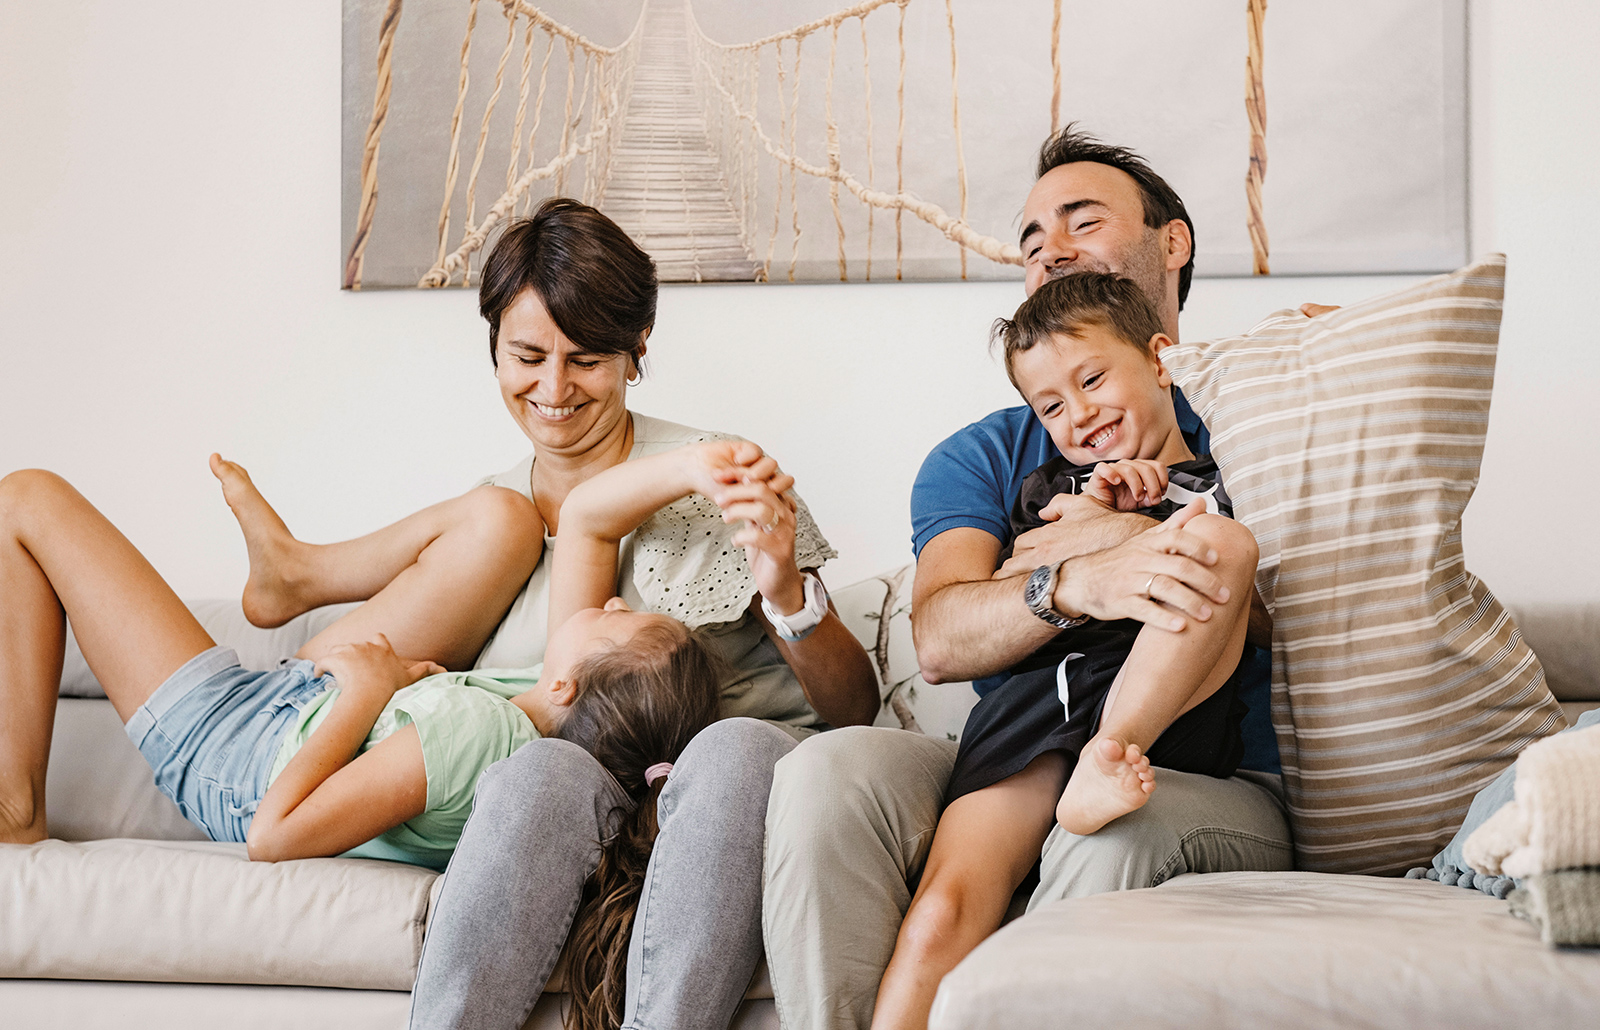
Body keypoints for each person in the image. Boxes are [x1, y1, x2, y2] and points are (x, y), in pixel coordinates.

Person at [195, 198, 877, 1030]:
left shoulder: (719, 477)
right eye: (526, 356)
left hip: (719, 790)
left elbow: (852, 707)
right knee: (540, 770)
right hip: (566, 798)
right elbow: (387, 701)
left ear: (637, 353)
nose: (552, 390)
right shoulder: (490, 523)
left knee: (727, 748)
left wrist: (786, 594)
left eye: (586, 359)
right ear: (493, 349)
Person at [762, 126, 1298, 1030]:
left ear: (1173, 244)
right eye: (1032, 239)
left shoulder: (1269, 409)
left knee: (1109, 828)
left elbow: (1276, 604)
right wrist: (1084, 576)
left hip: (1207, 761)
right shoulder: (998, 460)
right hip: (1030, 727)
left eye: (1081, 221)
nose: (1050, 247)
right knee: (903, 863)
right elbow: (940, 639)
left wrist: (1136, 533)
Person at [0, 442, 745, 871]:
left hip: (238, 754)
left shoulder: (477, 737)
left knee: (27, 500)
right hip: (291, 710)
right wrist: (703, 466)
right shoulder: (557, 720)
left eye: (621, 623)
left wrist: (368, 690)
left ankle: (15, 810)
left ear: (567, 679)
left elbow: (273, 836)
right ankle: (295, 573)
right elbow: (586, 518)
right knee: (503, 520)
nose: (616, 603)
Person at [870, 273, 1261, 1028]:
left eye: (1092, 380)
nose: (1079, 415)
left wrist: (1147, 527)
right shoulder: (1054, 490)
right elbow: (1011, 580)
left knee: (1219, 541)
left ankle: (1109, 754)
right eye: (1051, 406)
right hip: (1034, 715)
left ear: (1159, 359)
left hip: (1161, 730)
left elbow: (1256, 590)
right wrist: (1092, 518)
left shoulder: (1231, 477)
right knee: (944, 908)